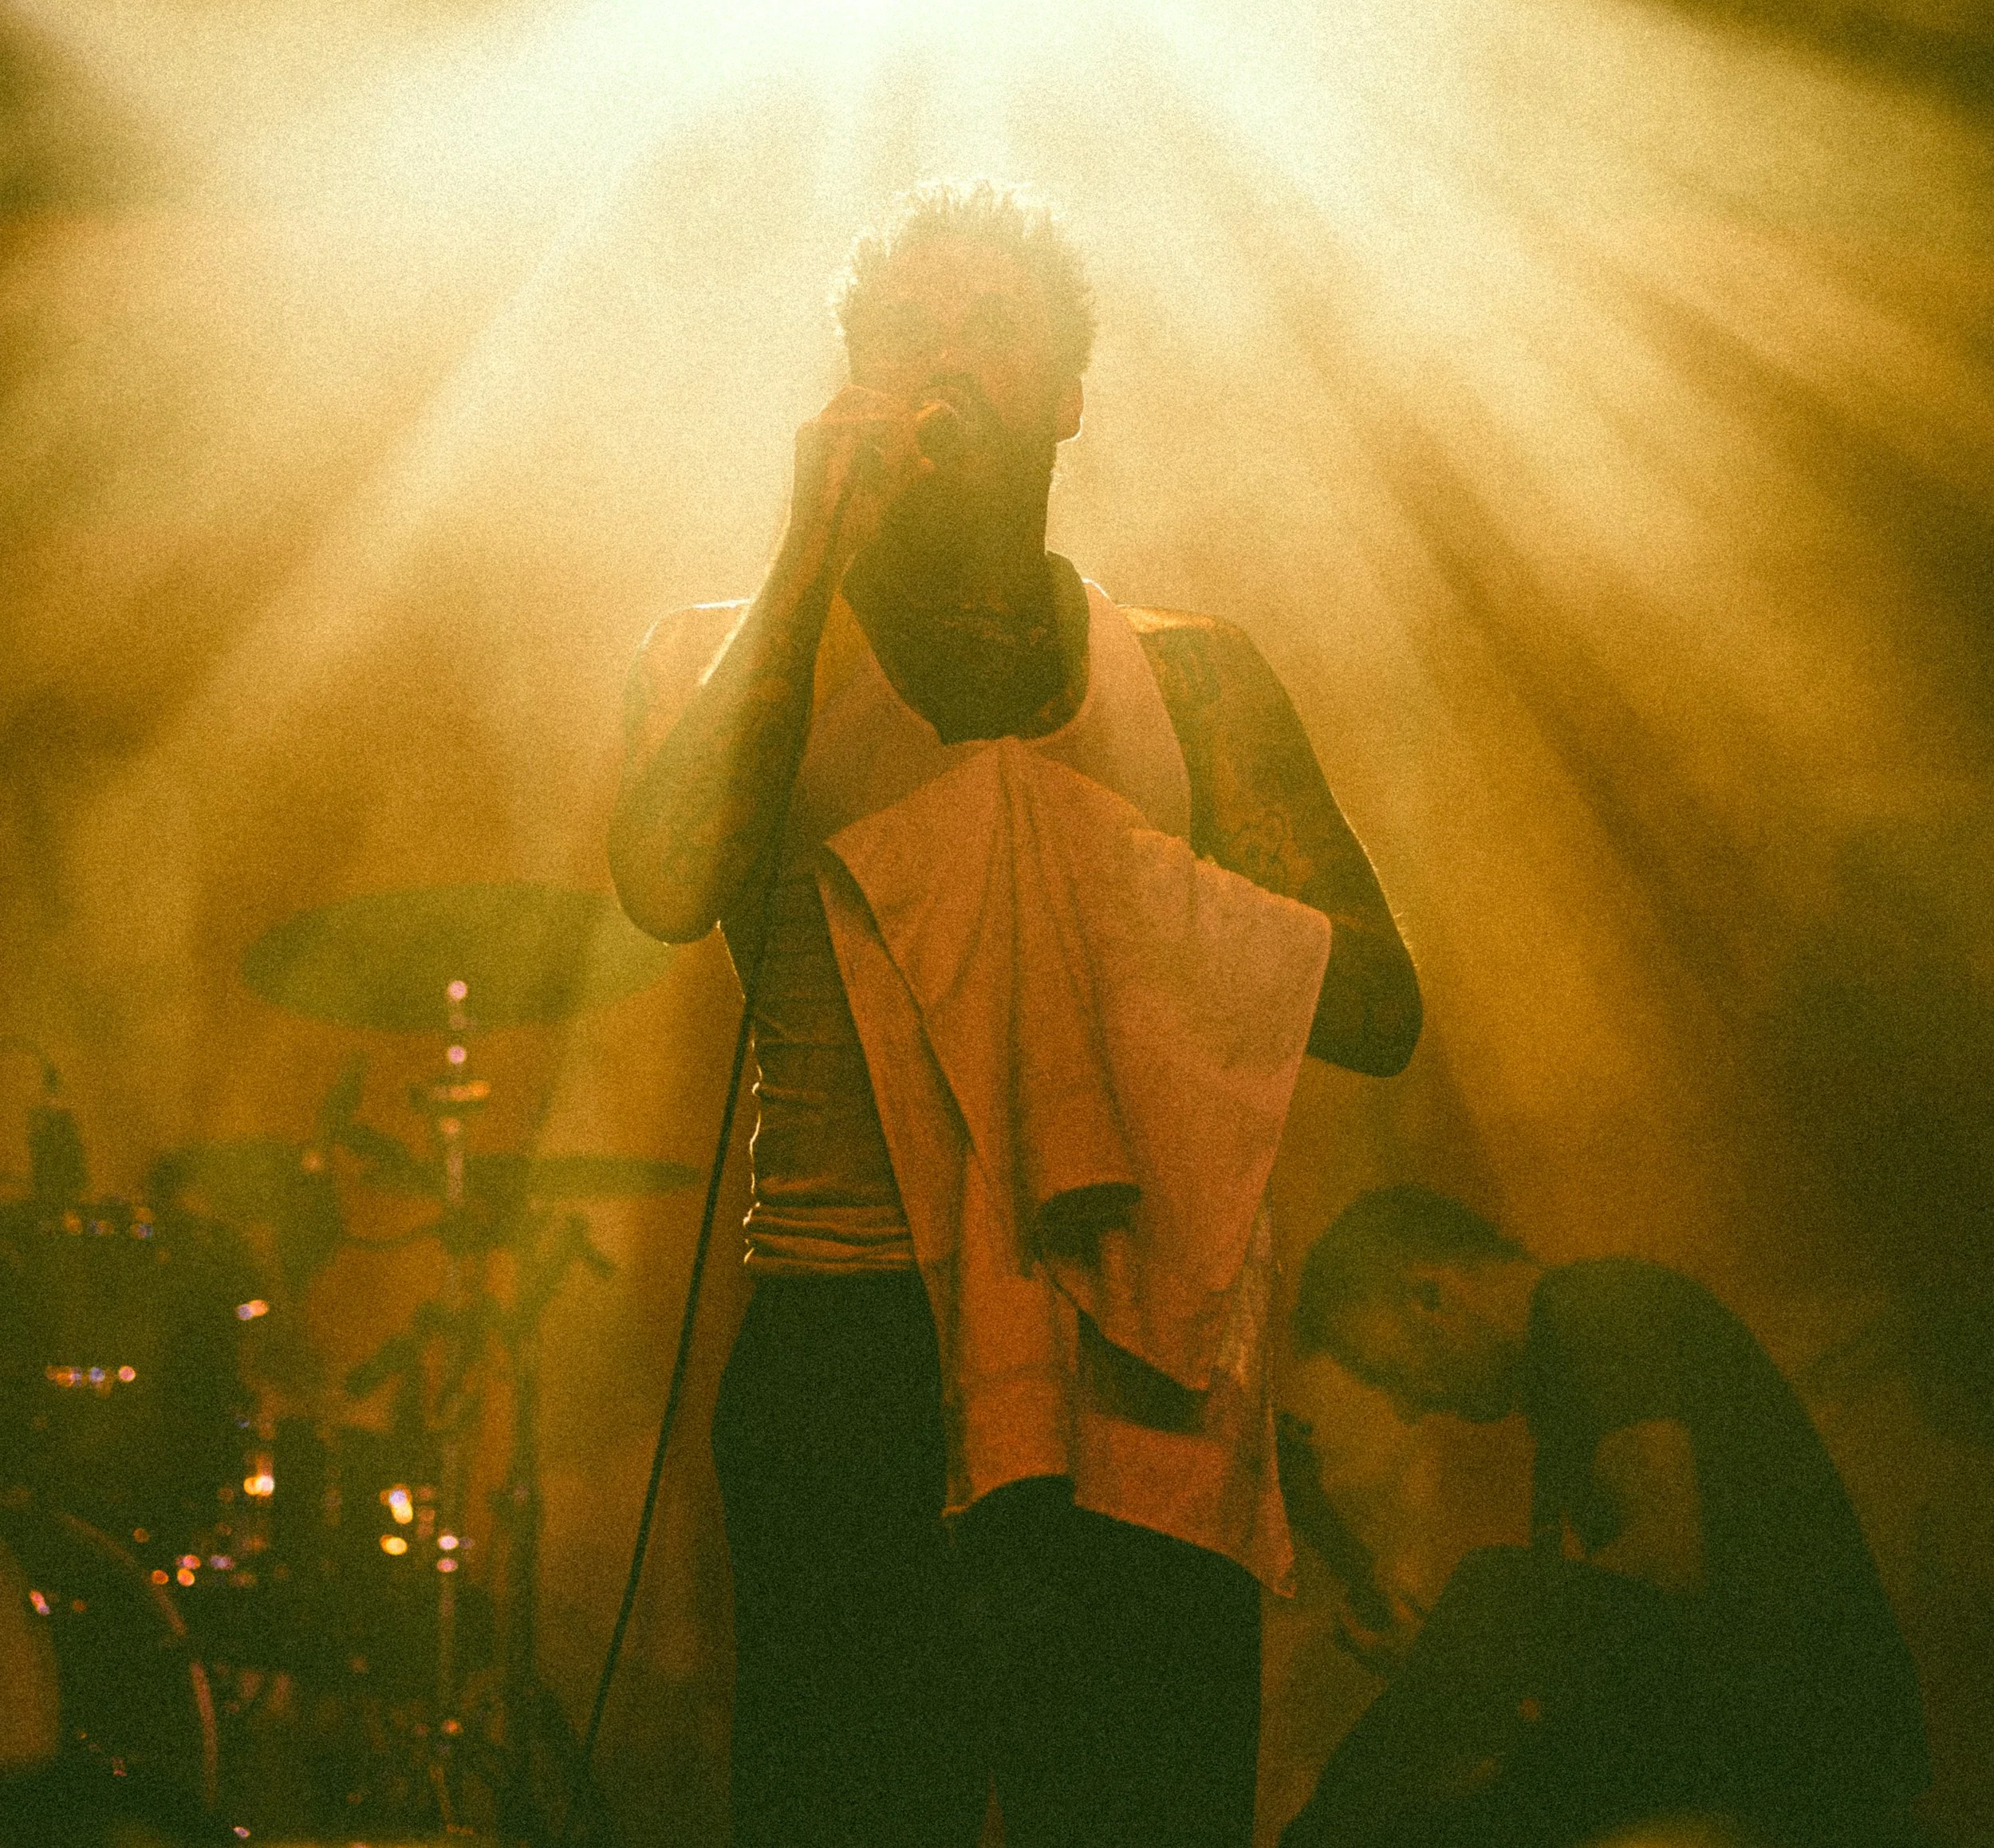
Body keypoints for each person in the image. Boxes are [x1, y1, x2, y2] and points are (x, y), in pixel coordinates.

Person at [609, 180, 1421, 1848]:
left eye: (988, 323)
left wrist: (1102, 881)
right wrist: (805, 543)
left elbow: (1377, 999)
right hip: (848, 1341)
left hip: (1131, 1341)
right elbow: (666, 874)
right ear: (848, 374)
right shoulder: (723, 650)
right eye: (901, 326)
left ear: (1065, 392)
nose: (941, 355)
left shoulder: (1193, 672)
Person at [1279, 1185, 1930, 1848]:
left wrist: (1469, 1667)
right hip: (1761, 1724)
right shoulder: (1563, 1378)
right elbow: (1626, 1637)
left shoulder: (1592, 1306)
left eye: (1390, 1372)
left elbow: (1665, 1558)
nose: (1407, 1408)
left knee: (1495, 1594)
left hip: (1811, 1730)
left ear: (1431, 1296)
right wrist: (1454, 1680)